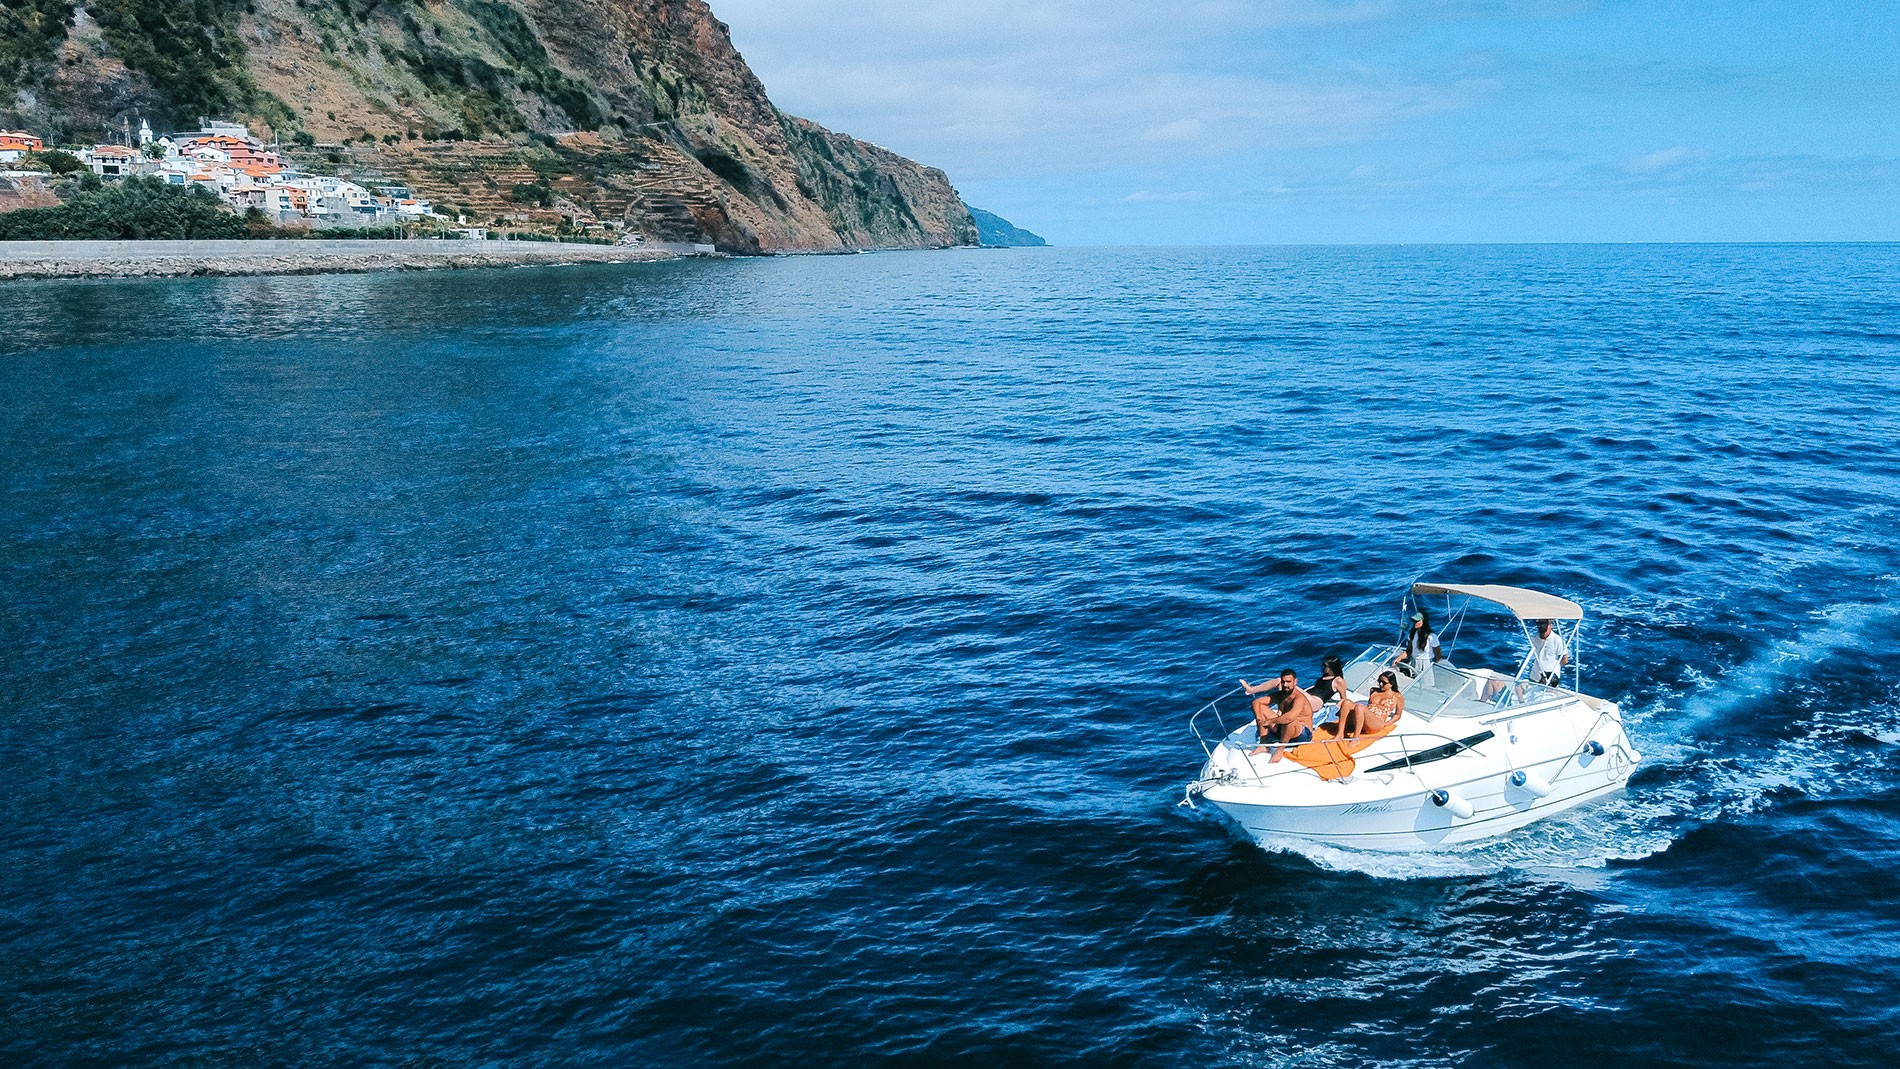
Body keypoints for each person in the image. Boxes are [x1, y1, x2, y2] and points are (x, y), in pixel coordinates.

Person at [1240, 669, 1315, 761]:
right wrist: (1260, 720)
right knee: (1260, 707)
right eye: (1283, 682)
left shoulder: (1299, 698)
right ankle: (1263, 744)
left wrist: (1269, 721)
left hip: (1301, 734)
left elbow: (1290, 717)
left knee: (1290, 720)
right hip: (1283, 730)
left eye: (1288, 682)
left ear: (1295, 682)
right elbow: (1256, 702)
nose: (1285, 685)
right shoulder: (1280, 695)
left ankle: (1280, 750)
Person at [1394, 610, 1443, 686]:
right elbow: (1409, 651)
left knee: (1427, 685)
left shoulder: (1431, 636)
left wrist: (1434, 663)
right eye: (1414, 621)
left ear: (1423, 622)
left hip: (1426, 663)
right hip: (1413, 661)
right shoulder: (1412, 634)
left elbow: (1438, 652)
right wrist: (1399, 658)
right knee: (1414, 683)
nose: (1414, 623)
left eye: (1417, 621)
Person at [1530, 619, 1569, 686]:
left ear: (1551, 625)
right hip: (1535, 675)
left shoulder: (1557, 639)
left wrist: (1554, 670)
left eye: (1544, 624)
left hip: (1551, 677)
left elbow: (1565, 659)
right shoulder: (1535, 638)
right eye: (1540, 624)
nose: (1542, 626)